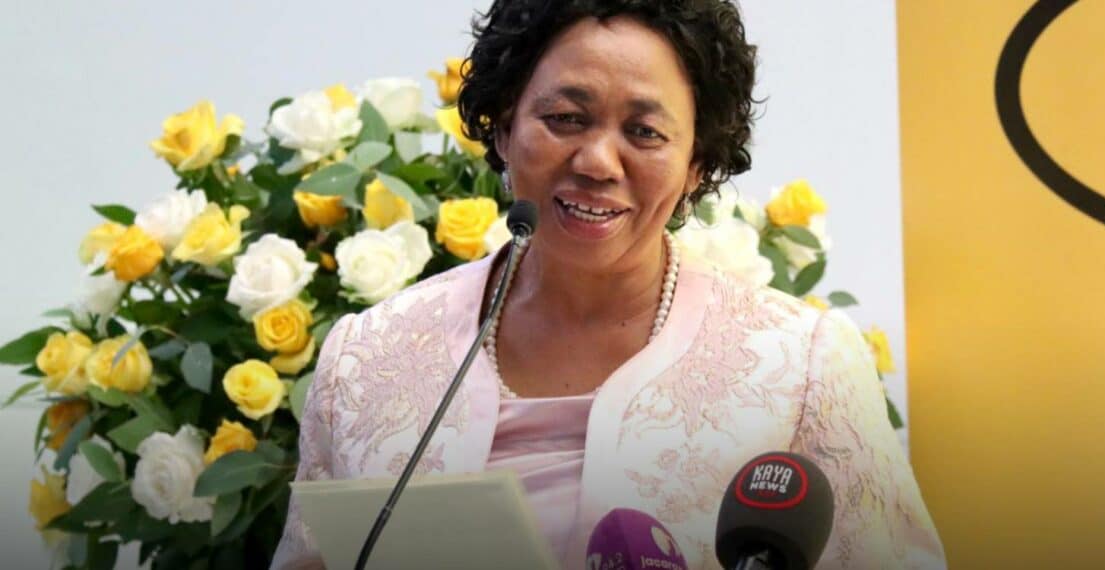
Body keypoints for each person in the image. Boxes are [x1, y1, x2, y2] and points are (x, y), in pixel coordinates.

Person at [272, 1, 946, 568]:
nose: (597, 161)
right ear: (503, 126)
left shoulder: (801, 364)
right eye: (566, 118)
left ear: (697, 163)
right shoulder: (368, 355)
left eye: (645, 132)